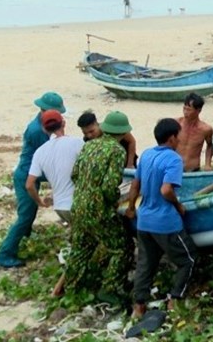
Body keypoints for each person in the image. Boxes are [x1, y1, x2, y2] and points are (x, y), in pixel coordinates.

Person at [126, 118, 197, 317]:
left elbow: (135, 185)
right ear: (172, 137)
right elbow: (166, 190)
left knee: (145, 263)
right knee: (188, 259)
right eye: (178, 135)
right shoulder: (174, 159)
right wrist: (178, 205)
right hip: (165, 222)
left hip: (144, 220)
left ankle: (139, 305)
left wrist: (132, 207)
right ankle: (175, 299)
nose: (180, 138)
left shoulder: (147, 155)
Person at [62, 111, 135, 304]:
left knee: (80, 248)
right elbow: (109, 186)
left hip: (78, 205)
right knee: (122, 248)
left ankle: (71, 288)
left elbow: (74, 175)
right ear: (121, 133)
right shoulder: (117, 151)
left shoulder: (89, 146)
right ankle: (109, 288)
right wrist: (114, 201)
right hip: (98, 210)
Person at [0, 91, 66, 268]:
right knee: (25, 215)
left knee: (29, 211)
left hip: (33, 171)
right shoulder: (37, 131)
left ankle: (25, 234)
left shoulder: (42, 123)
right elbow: (49, 155)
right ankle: (5, 254)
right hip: (28, 174)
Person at [25, 110, 84, 224]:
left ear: (44, 129)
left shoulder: (39, 152)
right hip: (77, 203)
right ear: (63, 123)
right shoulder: (77, 143)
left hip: (59, 207)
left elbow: (29, 184)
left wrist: (39, 202)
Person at [176, 93, 213, 172]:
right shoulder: (176, 124)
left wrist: (208, 164)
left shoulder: (206, 129)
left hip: (194, 169)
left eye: (189, 110)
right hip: (175, 168)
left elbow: (210, 145)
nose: (185, 112)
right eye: (184, 108)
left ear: (198, 110)